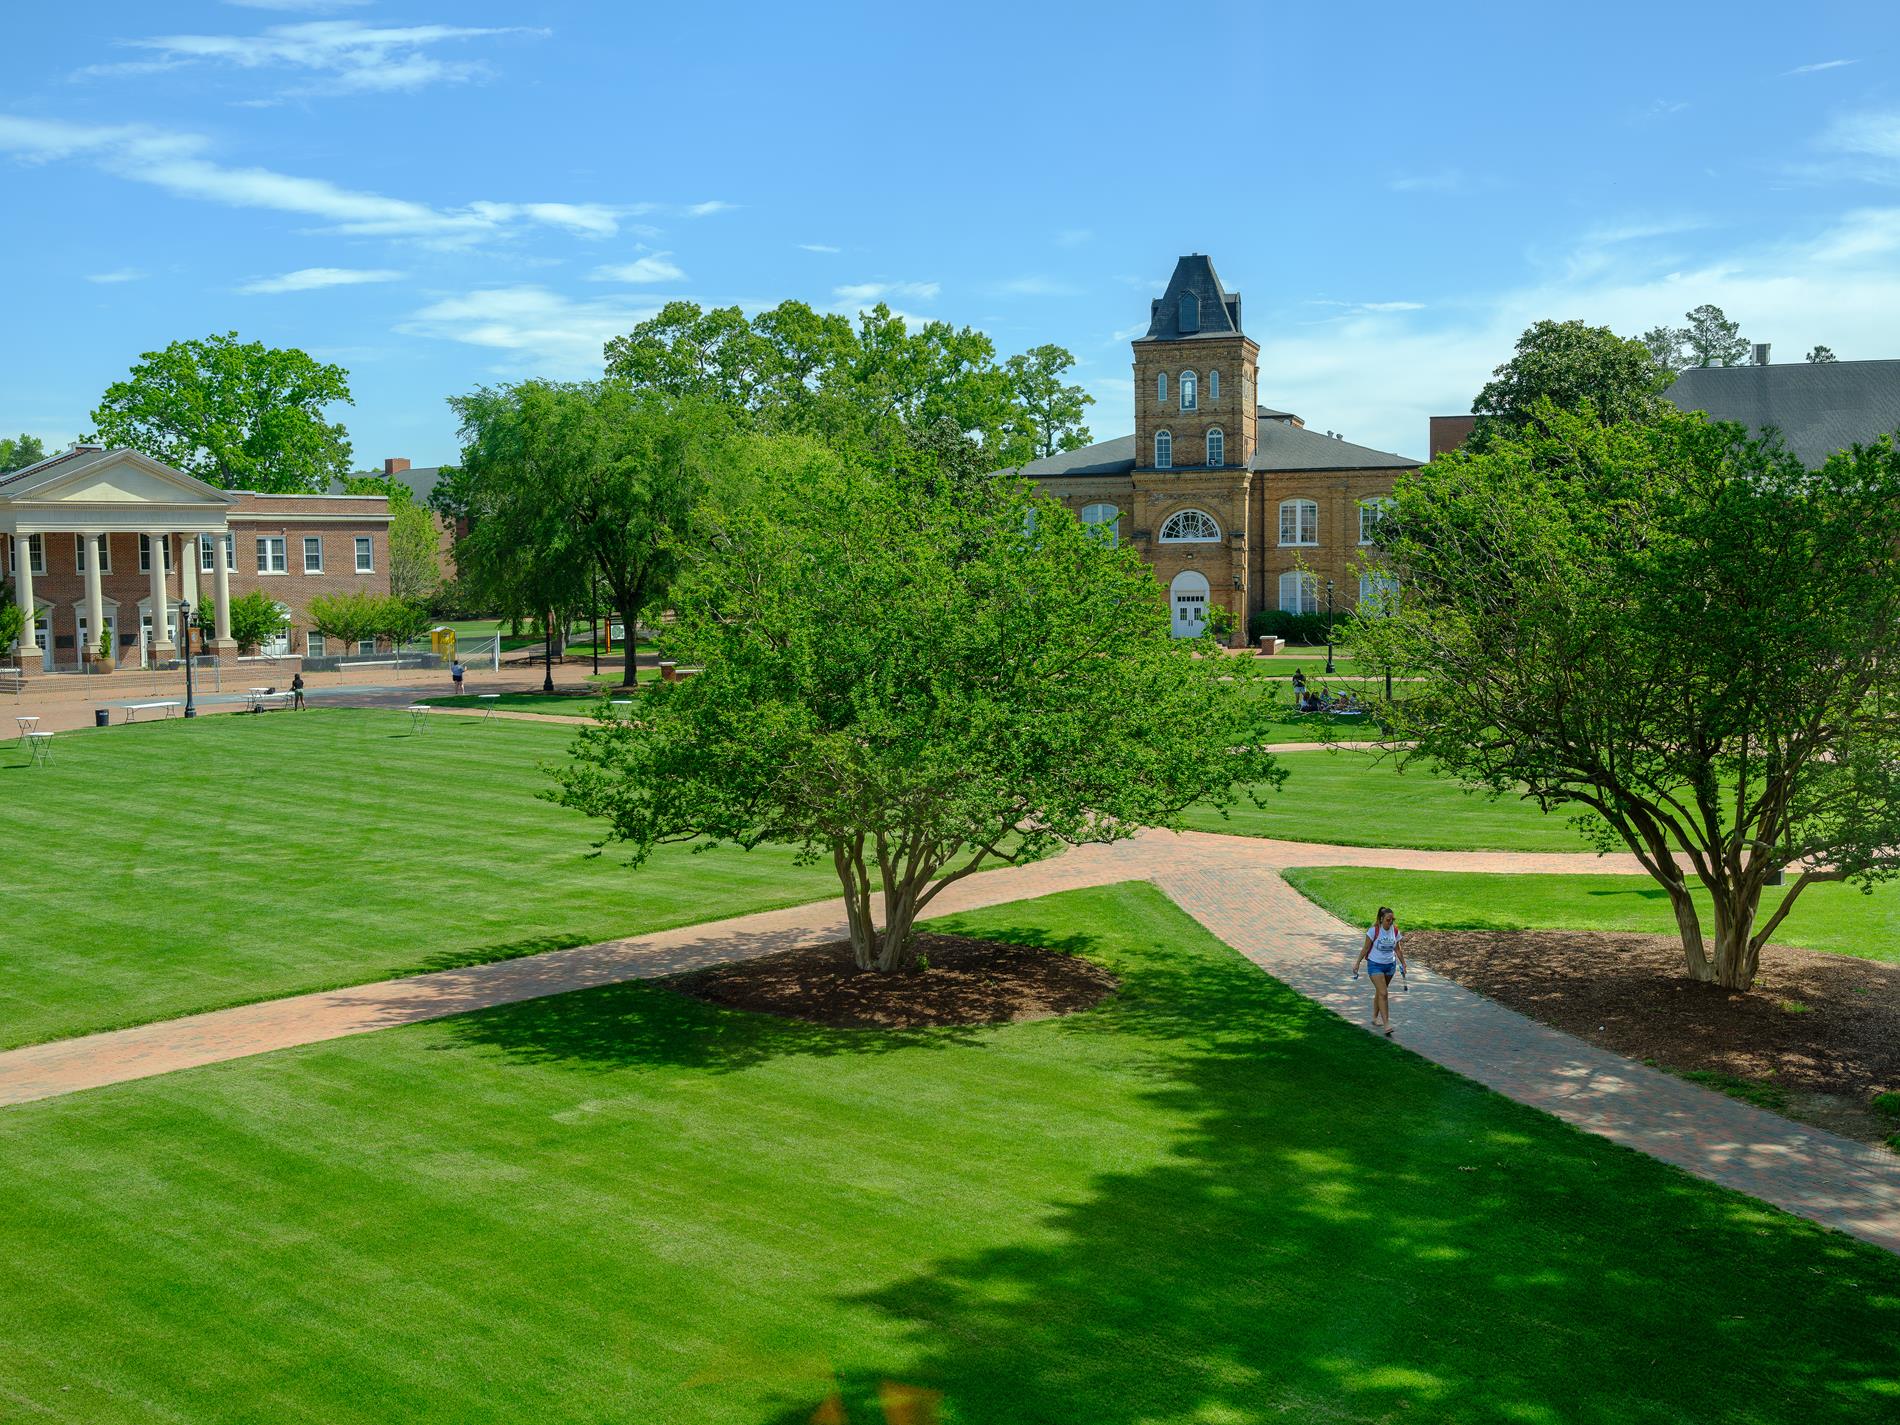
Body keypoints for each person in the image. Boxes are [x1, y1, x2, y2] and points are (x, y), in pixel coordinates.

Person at [1353, 905, 1405, 1034]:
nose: (1390, 922)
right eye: (1388, 919)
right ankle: (1387, 1024)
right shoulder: (1373, 931)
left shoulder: (1395, 931)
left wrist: (1403, 963)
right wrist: (1357, 963)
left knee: (1380, 992)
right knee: (1384, 993)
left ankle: (1375, 1018)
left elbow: (1397, 949)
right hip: (1375, 964)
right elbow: (1365, 949)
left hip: (1390, 966)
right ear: (1381, 919)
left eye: (1392, 919)